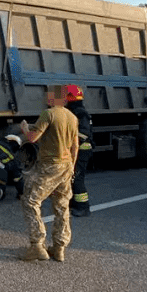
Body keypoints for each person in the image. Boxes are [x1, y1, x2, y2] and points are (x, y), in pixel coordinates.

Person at [18, 88, 80, 262]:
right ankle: (59, 248)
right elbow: (75, 146)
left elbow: (33, 138)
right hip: (66, 165)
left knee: (30, 201)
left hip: (49, 165)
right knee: (61, 205)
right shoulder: (72, 117)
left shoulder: (48, 114)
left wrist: (24, 128)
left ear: (53, 99)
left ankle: (37, 245)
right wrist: (71, 168)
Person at [64, 84, 93, 217]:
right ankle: (74, 203)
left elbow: (83, 134)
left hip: (81, 151)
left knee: (77, 178)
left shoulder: (80, 113)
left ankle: (83, 207)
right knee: (71, 177)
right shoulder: (74, 112)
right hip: (75, 150)